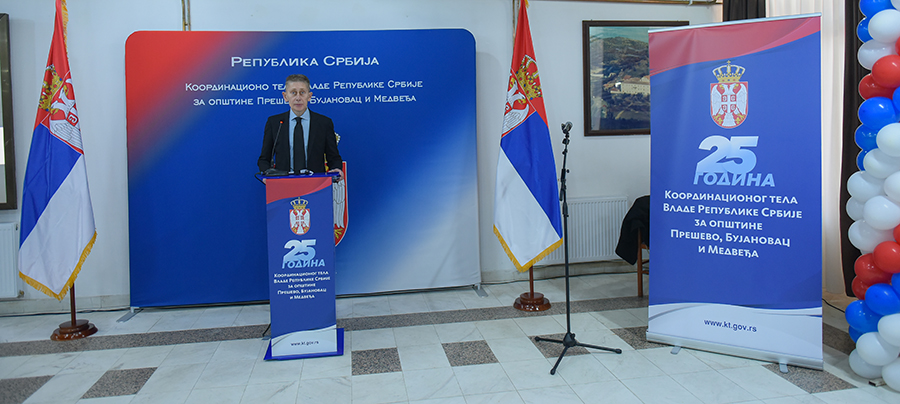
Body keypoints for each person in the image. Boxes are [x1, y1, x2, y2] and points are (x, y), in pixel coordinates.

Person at [257, 74, 343, 180]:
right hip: (283, 184)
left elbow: (333, 157)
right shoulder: (275, 123)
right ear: (285, 96)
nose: (298, 98)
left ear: (309, 96)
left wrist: (336, 169)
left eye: (302, 92)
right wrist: (267, 175)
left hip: (316, 184)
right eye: (293, 93)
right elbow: (264, 159)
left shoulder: (324, 123)